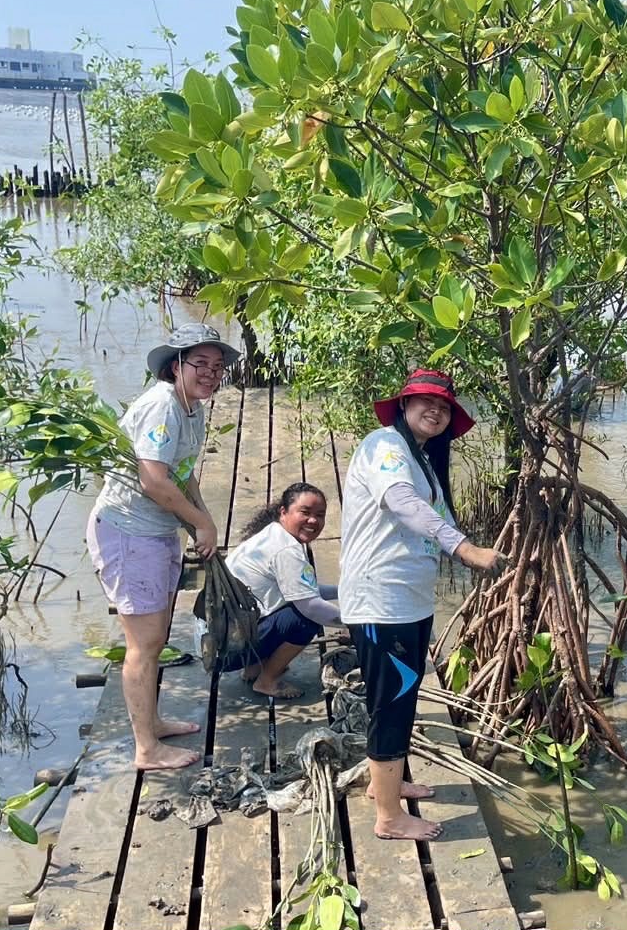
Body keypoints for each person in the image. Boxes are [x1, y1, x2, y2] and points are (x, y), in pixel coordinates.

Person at [340, 369, 503, 841]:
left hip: (408, 602)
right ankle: (389, 819)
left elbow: (438, 510)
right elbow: (401, 502)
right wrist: (464, 549)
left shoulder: (422, 459)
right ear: (404, 406)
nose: (435, 411)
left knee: (405, 694)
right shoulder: (385, 447)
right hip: (380, 601)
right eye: (424, 402)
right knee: (389, 704)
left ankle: (385, 787)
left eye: (444, 406)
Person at [88, 323, 238, 770]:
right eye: (200, 364)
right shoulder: (162, 408)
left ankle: (151, 723)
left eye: (218, 366)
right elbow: (152, 480)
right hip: (130, 534)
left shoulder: (191, 408)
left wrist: (202, 520)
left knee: (154, 638)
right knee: (145, 643)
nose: (211, 374)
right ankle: (146, 749)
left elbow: (182, 472)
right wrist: (197, 521)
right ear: (176, 366)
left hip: (155, 532)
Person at [225, 482, 341, 700]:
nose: (313, 520)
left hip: (223, 639)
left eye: (320, 515)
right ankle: (266, 681)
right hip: (228, 650)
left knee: (293, 607)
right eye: (305, 512)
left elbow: (307, 590)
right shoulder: (287, 550)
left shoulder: (272, 534)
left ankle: (253, 668)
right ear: (283, 511)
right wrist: (355, 621)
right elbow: (311, 606)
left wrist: (342, 591)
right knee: (304, 620)